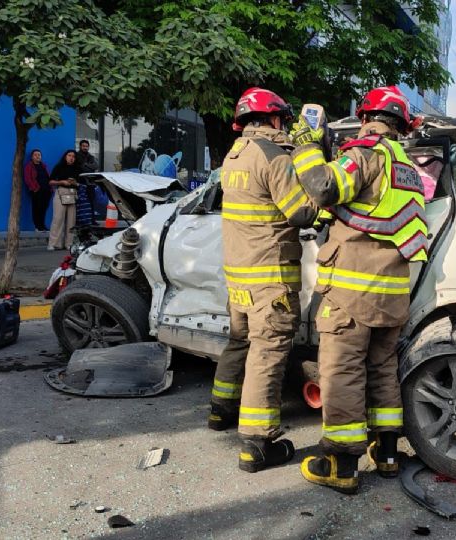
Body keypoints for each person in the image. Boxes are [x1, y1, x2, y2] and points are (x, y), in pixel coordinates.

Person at [290, 86, 427, 493]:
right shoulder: (406, 167)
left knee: (341, 372)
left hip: (351, 293)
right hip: (391, 294)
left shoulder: (365, 155)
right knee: (382, 368)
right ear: (402, 126)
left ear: (366, 116)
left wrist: (307, 147)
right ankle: (385, 453)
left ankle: (340, 463)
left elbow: (323, 188)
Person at [206, 87, 317, 477]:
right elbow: (302, 213)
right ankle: (256, 444)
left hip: (239, 277)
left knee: (240, 342)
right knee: (266, 355)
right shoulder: (273, 157)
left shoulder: (233, 156)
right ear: (273, 119)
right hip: (270, 279)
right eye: (283, 120)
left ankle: (220, 411)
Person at [48, 150, 79, 250]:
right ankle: (54, 243)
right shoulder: (59, 166)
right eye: (69, 155)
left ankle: (69, 244)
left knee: (71, 221)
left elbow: (82, 184)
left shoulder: (78, 168)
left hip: (73, 194)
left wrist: (75, 183)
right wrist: (61, 182)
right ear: (65, 156)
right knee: (58, 219)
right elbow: (50, 181)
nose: (71, 158)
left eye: (73, 156)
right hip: (60, 193)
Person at [24, 149, 51, 232]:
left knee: (44, 208)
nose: (37, 156)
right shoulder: (29, 166)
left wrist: (50, 188)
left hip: (46, 190)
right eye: (35, 155)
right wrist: (34, 188)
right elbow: (27, 179)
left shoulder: (43, 166)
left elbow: (48, 176)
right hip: (37, 191)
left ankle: (43, 225)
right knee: (36, 208)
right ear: (32, 157)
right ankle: (37, 226)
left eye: (39, 155)